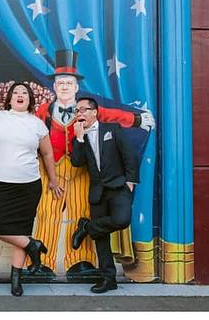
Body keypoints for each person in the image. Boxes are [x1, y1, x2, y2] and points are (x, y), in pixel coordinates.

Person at [29, 49, 154, 280]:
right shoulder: (44, 111)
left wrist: (137, 119)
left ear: (76, 87)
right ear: (54, 86)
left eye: (69, 83)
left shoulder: (87, 110)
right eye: (60, 83)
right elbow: (31, 132)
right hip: (51, 168)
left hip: (81, 168)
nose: (64, 87)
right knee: (47, 212)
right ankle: (42, 262)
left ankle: (80, 261)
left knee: (81, 210)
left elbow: (111, 115)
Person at [0, 78, 60, 296]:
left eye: (24, 93)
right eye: (16, 92)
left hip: (28, 186)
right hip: (1, 183)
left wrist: (53, 180)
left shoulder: (37, 124)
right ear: (9, 99)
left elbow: (47, 153)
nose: (20, 95)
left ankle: (16, 279)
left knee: (20, 230)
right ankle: (32, 245)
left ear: (30, 100)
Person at [69, 97, 139, 294]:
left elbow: (130, 156)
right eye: (77, 111)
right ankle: (108, 279)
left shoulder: (113, 129)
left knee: (122, 220)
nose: (79, 114)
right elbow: (76, 162)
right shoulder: (79, 138)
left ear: (94, 112)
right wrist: (79, 138)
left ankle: (86, 227)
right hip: (97, 191)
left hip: (118, 186)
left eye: (83, 110)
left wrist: (130, 182)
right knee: (101, 238)